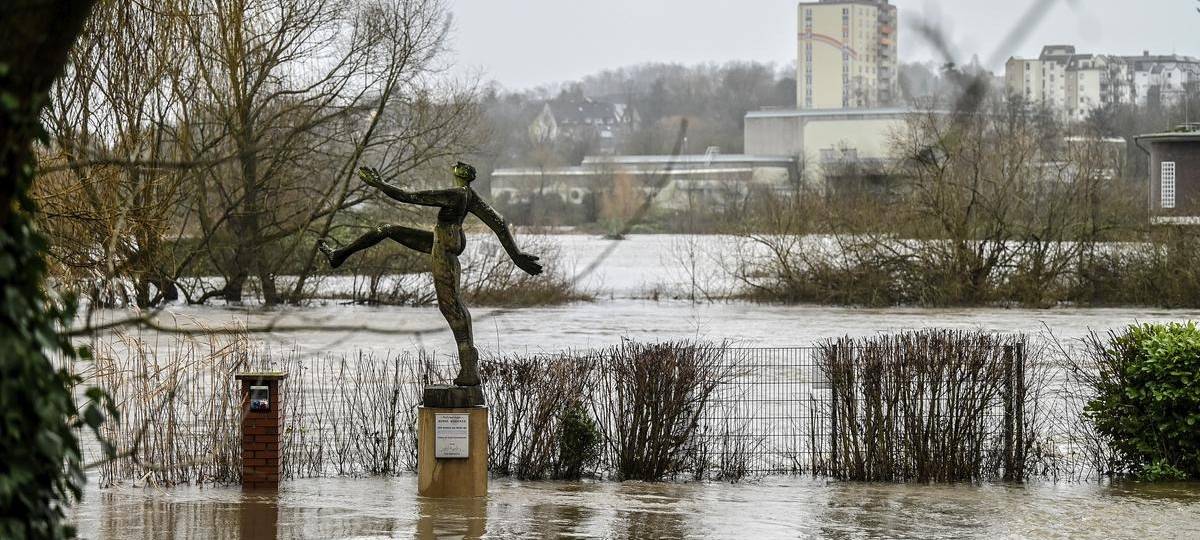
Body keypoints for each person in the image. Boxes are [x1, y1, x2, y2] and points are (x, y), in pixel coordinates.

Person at [318, 162, 542, 386]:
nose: (455, 165)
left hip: (444, 246)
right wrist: (516, 255)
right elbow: (499, 222)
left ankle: (469, 366)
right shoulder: (470, 196)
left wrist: (379, 184)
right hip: (443, 239)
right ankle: (340, 255)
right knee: (386, 230)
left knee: (451, 306)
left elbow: (408, 196)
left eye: (459, 166)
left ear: (463, 174)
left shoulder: (455, 194)